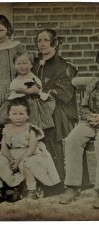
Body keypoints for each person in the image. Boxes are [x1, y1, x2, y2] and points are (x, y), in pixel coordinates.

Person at [0, 98, 60, 204]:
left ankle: (31, 190)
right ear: (9, 115)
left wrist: (17, 161)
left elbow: (31, 148)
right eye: (14, 114)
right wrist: (11, 160)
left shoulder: (31, 129)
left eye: (21, 114)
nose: (18, 117)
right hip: (11, 154)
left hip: (28, 154)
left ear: (27, 115)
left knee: (27, 164)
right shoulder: (6, 129)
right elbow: (4, 148)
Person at [31, 28, 78, 183]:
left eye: (46, 40)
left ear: (54, 42)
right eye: (39, 40)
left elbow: (66, 94)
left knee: (52, 135)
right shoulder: (34, 65)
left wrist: (44, 91)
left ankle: (59, 181)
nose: (42, 44)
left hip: (57, 111)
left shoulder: (64, 66)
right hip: (34, 108)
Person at [59, 77, 99, 208]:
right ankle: (72, 186)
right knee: (72, 140)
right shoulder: (93, 83)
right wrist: (90, 116)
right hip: (91, 122)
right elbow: (84, 107)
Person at [0, 51, 55, 130]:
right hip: (15, 104)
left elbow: (37, 89)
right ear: (14, 65)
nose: (21, 66)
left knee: (29, 125)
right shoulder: (16, 79)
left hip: (29, 103)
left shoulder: (32, 78)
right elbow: (13, 89)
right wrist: (10, 94)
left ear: (31, 65)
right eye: (18, 64)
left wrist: (24, 91)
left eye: (25, 63)